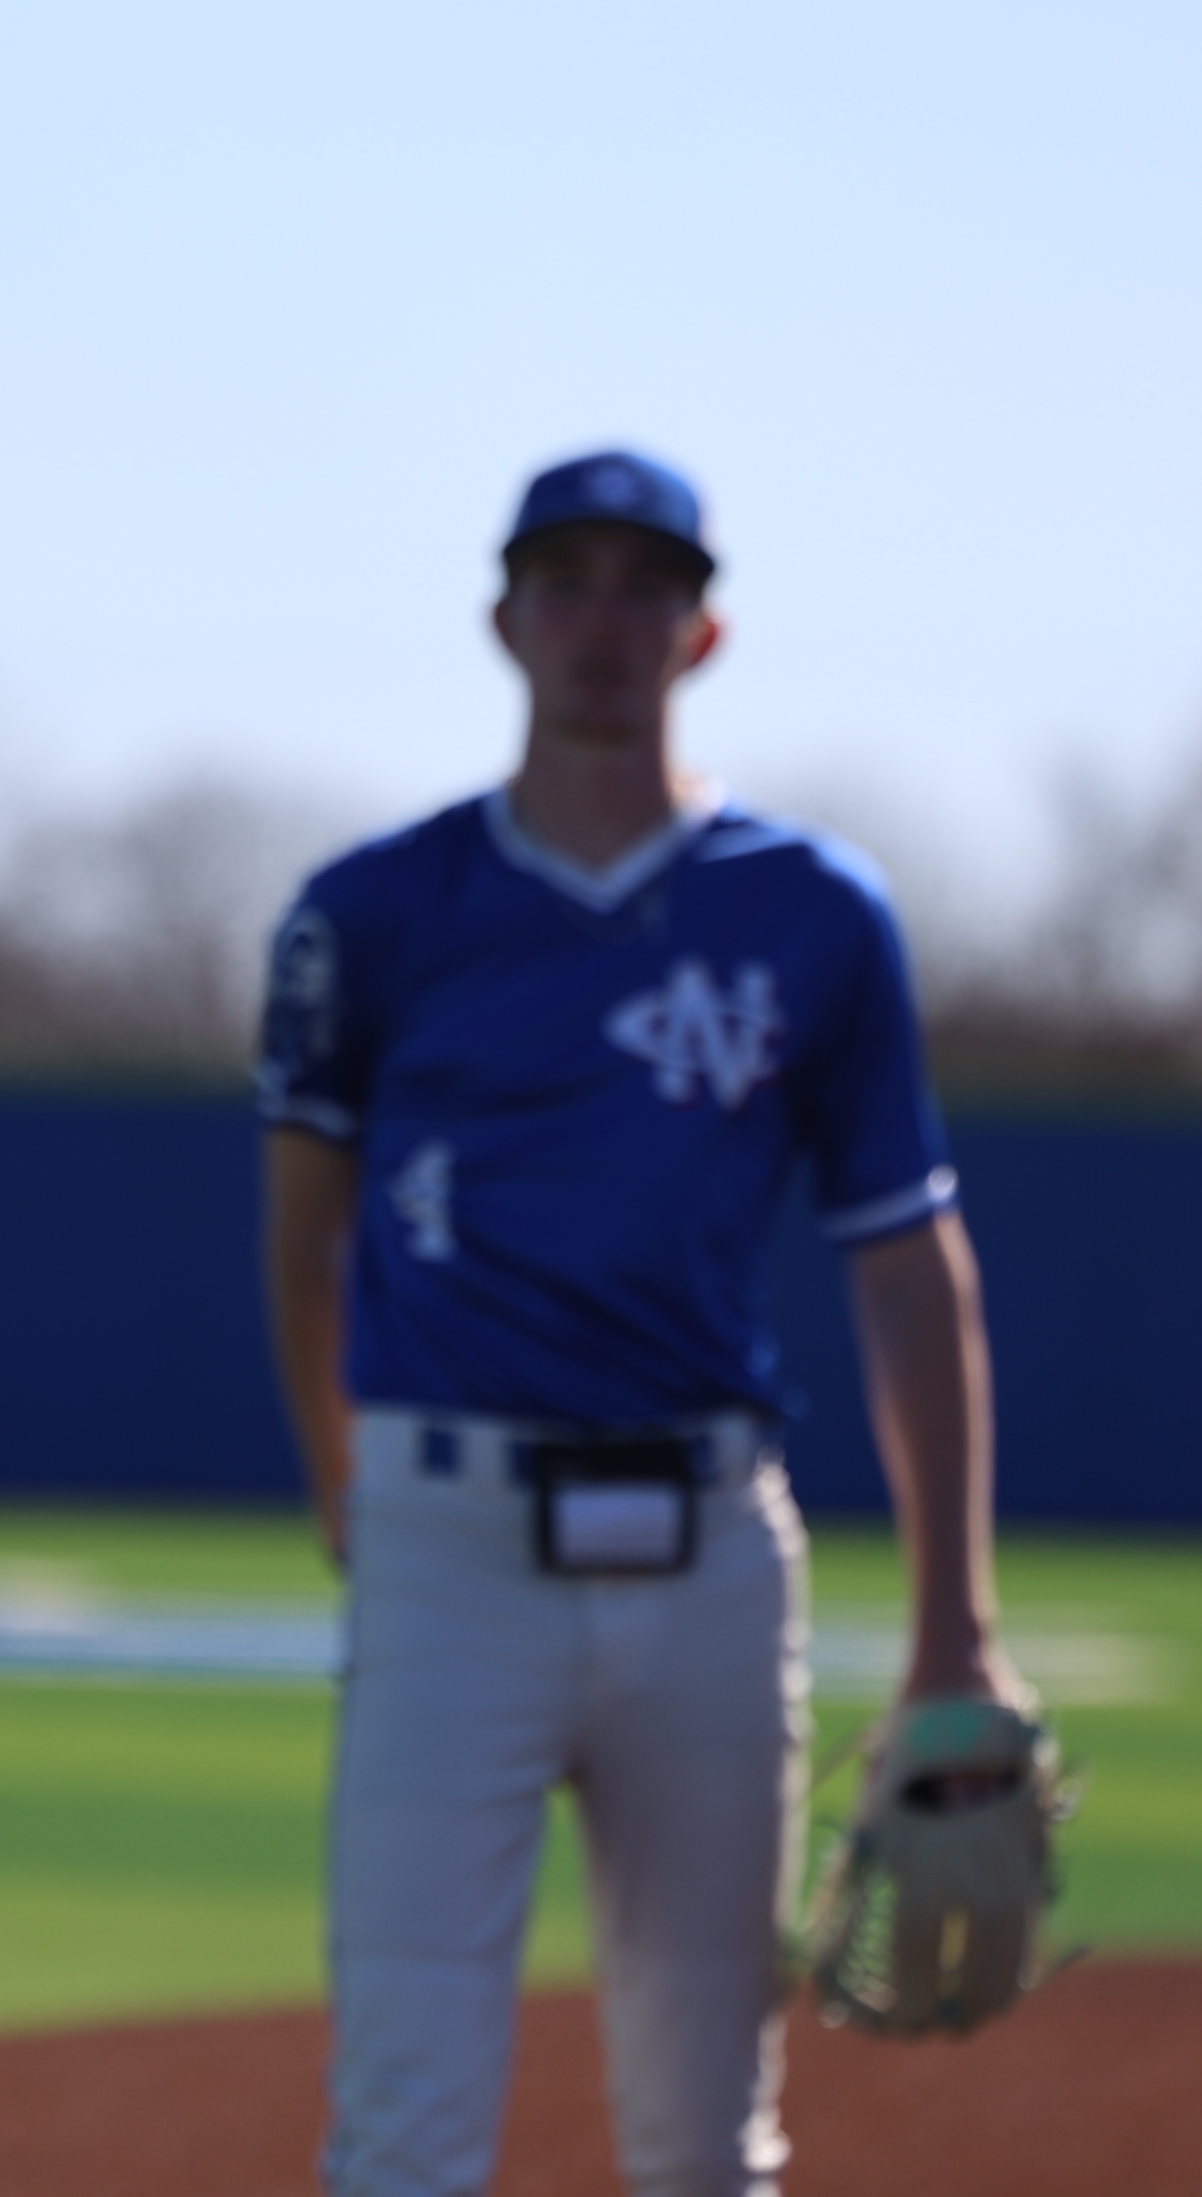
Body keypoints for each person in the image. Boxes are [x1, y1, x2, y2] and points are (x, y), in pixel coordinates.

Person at [254, 451, 1021, 2197]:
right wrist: (340, 1482)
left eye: (645, 585)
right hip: (447, 1537)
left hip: (712, 1554)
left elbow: (911, 1267)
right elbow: (302, 1234)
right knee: (403, 2121)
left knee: (706, 2141)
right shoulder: (374, 914)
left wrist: (956, 1633)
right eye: (571, 579)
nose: (607, 619)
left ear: (707, 630)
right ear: (504, 618)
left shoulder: (815, 913)